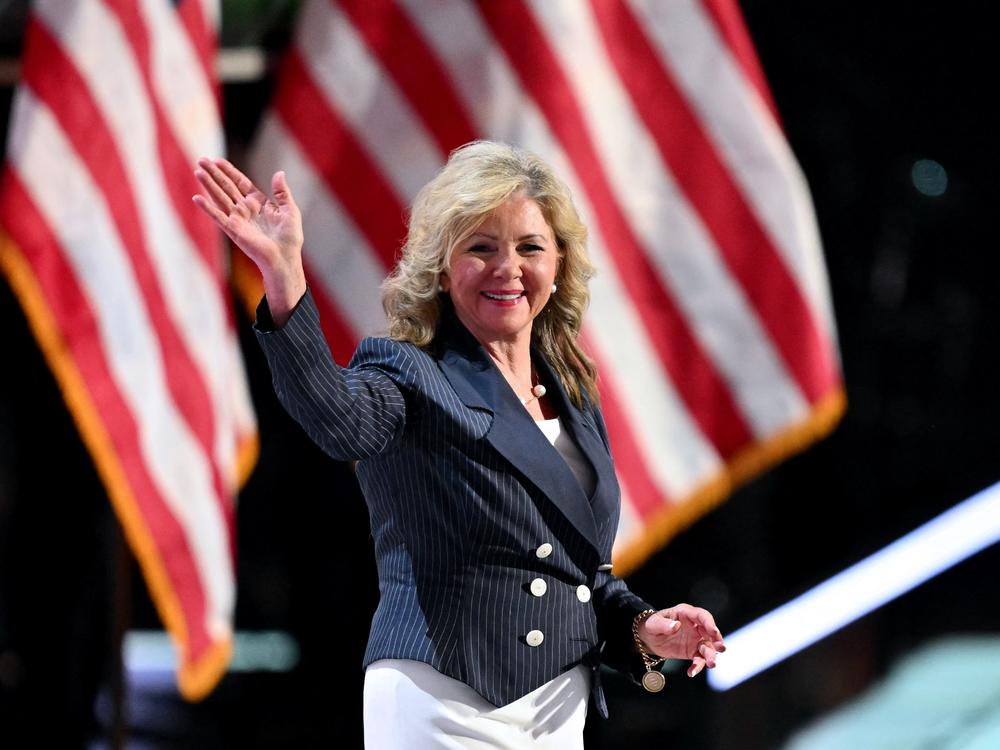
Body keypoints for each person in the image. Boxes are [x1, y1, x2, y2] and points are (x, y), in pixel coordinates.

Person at [193, 141, 726, 748]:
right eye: (481, 248)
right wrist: (285, 276)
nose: (508, 268)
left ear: (558, 265)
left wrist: (642, 628)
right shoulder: (412, 375)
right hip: (442, 699)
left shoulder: (574, 393)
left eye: (530, 247)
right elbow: (335, 417)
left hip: (556, 710)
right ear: (444, 271)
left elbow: (572, 572)